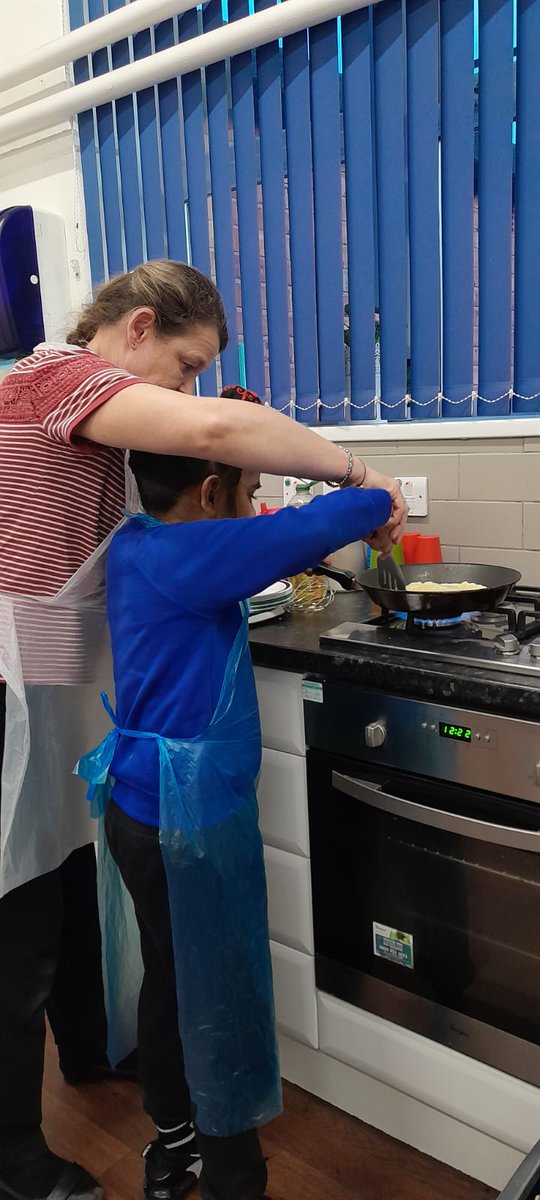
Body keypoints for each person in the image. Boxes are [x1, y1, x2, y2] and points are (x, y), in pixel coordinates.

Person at [0, 259, 406, 1200]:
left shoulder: (144, 536)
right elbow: (226, 445)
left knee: (94, 927)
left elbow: (222, 461)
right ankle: (150, 1155)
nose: (184, 394)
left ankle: (135, 1091)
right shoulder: (68, 385)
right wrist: (366, 481)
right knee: (99, 952)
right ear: (138, 327)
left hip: (85, 727)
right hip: (67, 721)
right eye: (185, 367)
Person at [74, 417, 393, 1200]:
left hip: (139, 806)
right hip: (187, 821)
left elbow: (281, 533)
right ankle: (231, 1174)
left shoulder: (138, 543)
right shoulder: (191, 555)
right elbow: (316, 524)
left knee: (172, 974)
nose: (256, 506)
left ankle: (172, 1141)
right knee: (218, 989)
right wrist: (376, 491)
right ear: (211, 491)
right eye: (248, 491)